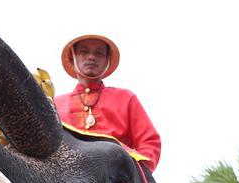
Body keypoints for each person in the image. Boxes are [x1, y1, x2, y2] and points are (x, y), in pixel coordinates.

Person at [54, 33, 162, 172]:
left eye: (99, 53)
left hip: (115, 180)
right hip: (66, 178)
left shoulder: (125, 98)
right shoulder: (55, 104)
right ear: (72, 57)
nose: (91, 57)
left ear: (107, 61)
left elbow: (150, 143)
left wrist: (135, 175)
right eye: (84, 51)